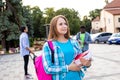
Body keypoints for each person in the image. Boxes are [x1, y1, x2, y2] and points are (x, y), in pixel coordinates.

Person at [42, 15, 91, 80]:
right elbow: (48, 69)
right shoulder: (48, 45)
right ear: (54, 27)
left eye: (65, 24)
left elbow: (80, 62)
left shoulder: (74, 43)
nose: (64, 26)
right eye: (60, 24)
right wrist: (68, 67)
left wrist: (87, 64)